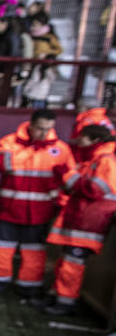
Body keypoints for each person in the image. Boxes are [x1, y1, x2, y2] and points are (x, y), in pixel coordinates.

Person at [0, 108, 73, 299]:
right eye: (40, 128)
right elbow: (4, 165)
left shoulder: (61, 150)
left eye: (49, 129)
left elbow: (70, 180)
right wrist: (31, 149)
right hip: (10, 207)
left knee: (34, 251)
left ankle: (29, 286)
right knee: (2, 246)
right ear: (30, 125)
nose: (44, 133)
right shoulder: (9, 143)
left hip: (40, 210)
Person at [46, 125, 116, 316]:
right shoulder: (95, 159)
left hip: (89, 223)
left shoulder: (106, 161)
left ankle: (65, 303)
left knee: (73, 265)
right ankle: (58, 295)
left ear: (94, 140)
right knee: (67, 262)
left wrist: (68, 175)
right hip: (81, 220)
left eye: (82, 138)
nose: (78, 142)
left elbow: (94, 190)